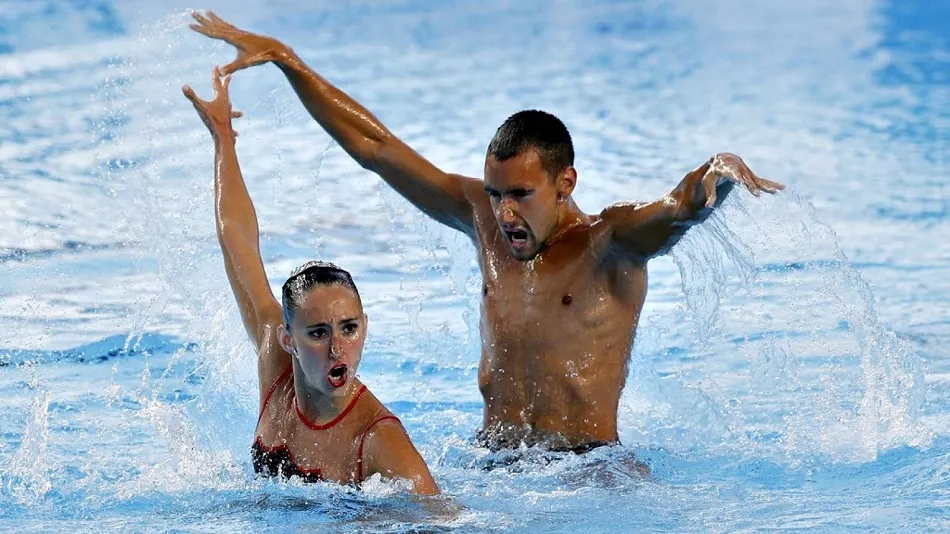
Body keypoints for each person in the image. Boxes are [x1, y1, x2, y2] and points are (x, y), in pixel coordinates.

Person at [189, 11, 785, 454]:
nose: (503, 213)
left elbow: (679, 207)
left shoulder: (611, 245)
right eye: (495, 194)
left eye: (520, 195)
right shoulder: (483, 219)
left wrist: (717, 172)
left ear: (565, 183)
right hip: (492, 462)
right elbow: (377, 147)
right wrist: (288, 61)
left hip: (587, 472)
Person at [182, 67, 440, 494]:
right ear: (289, 340)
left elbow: (444, 519)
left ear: (365, 326)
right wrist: (223, 139)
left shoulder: (380, 442)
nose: (338, 348)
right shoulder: (275, 362)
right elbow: (238, 244)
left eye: (349, 328)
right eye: (318, 333)